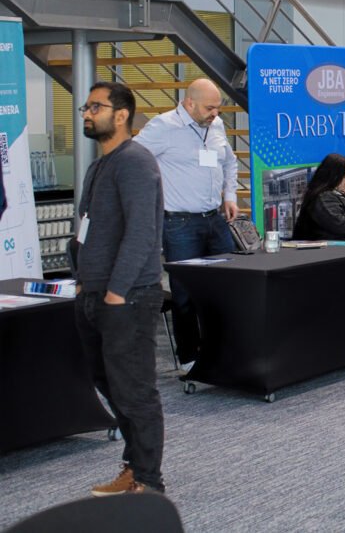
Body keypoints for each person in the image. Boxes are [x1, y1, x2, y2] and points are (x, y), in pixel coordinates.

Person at [73, 81, 166, 494]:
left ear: (122, 115)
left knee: (135, 391)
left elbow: (142, 232)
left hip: (126, 297)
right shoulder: (100, 165)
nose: (87, 113)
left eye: (96, 106)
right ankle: (133, 466)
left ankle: (148, 481)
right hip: (95, 294)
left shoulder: (135, 162)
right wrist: (83, 286)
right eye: (85, 107)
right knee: (110, 384)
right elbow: (89, 231)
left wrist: (116, 292)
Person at [134, 78, 238, 372]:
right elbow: (132, 160)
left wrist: (229, 195)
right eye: (209, 108)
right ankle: (190, 356)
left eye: (218, 108)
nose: (215, 114)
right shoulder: (162, 127)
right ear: (188, 103)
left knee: (230, 286)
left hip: (215, 219)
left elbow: (229, 162)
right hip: (179, 223)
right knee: (185, 293)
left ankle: (226, 348)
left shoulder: (215, 126)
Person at [292, 153, 345, 241]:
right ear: (333, 176)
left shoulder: (335, 193)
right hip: (334, 248)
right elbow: (340, 224)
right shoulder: (322, 197)